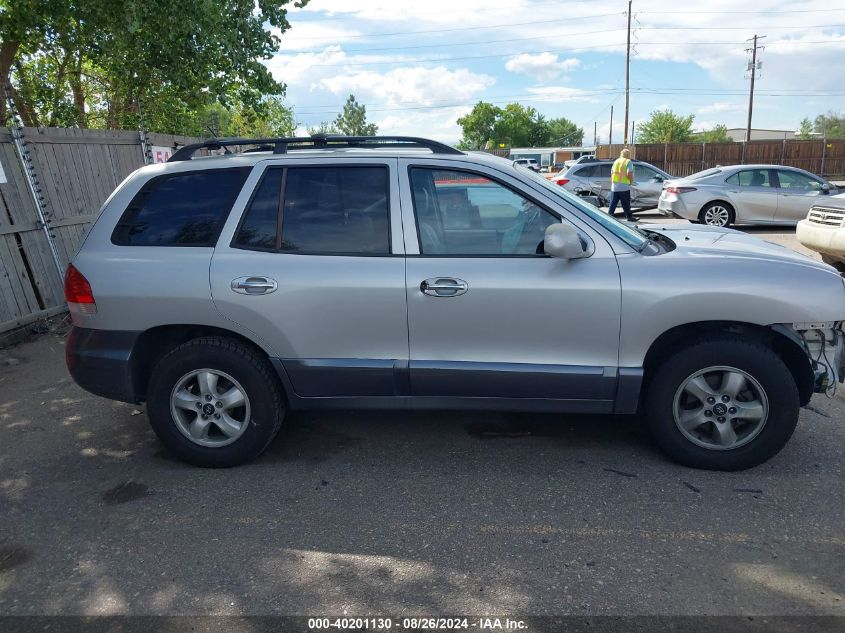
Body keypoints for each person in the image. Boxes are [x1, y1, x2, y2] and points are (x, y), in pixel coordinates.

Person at [608, 148, 635, 221]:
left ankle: (609, 217)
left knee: (613, 203)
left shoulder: (616, 161)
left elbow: (612, 172)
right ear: (628, 155)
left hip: (614, 186)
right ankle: (629, 217)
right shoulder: (628, 161)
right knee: (626, 203)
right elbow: (629, 173)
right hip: (624, 186)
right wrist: (631, 181)